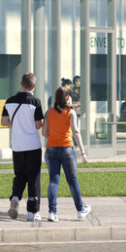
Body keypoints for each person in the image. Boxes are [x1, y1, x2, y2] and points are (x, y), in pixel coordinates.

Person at [2, 74, 47, 221]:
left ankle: (15, 197)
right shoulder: (35, 102)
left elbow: (4, 122)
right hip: (33, 145)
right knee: (34, 178)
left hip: (17, 145)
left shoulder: (9, 101)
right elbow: (38, 125)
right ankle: (32, 213)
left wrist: (18, 123)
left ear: (21, 84)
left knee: (20, 175)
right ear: (33, 86)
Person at [42, 86, 90, 220]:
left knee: (53, 181)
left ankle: (52, 213)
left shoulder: (49, 112)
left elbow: (44, 132)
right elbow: (75, 132)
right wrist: (83, 153)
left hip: (51, 149)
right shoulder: (70, 112)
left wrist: (54, 137)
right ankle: (80, 210)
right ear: (67, 98)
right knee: (72, 180)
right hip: (67, 149)